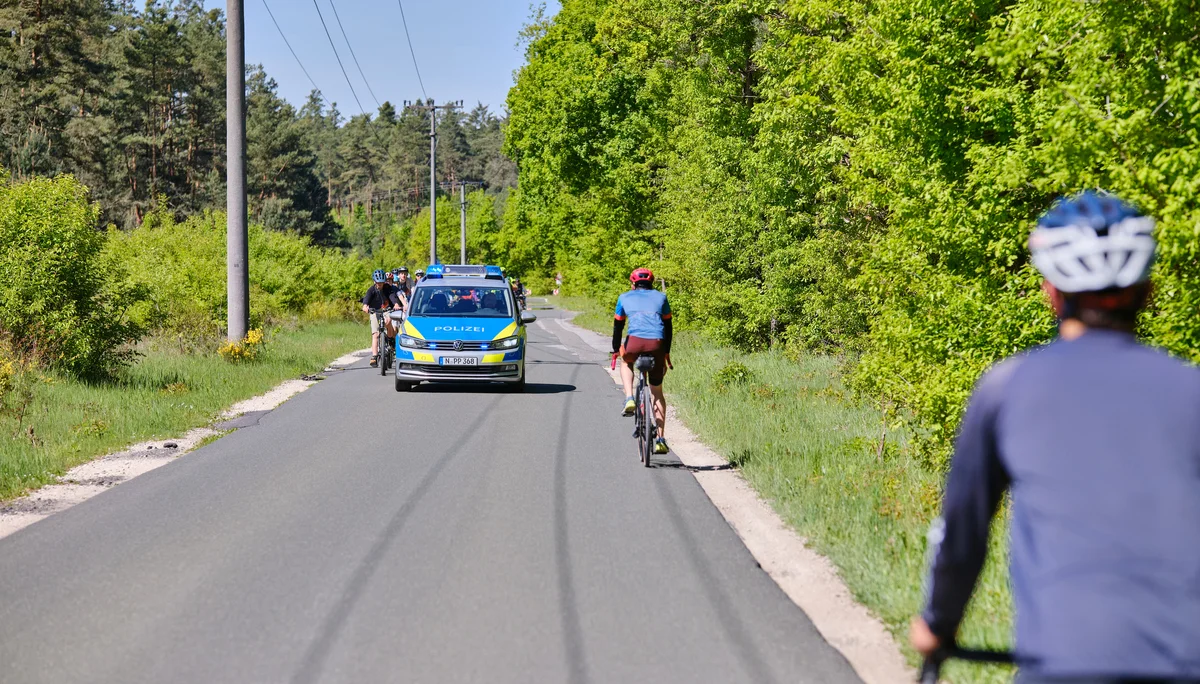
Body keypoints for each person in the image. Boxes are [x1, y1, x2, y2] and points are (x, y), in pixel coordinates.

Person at [910, 191, 1200, 683]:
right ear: (1147, 292)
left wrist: (937, 624)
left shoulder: (1007, 388)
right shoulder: (1191, 390)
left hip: (1064, 668)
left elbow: (962, 531)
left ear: (1051, 292)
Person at [612, 268, 673, 455]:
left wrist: (616, 350)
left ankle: (629, 397)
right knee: (657, 392)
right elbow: (668, 327)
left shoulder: (624, 297)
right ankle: (660, 439)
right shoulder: (661, 297)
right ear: (651, 283)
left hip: (635, 342)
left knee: (626, 361)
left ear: (633, 284)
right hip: (657, 343)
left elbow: (618, 326)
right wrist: (666, 353)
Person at [361, 269, 402, 367]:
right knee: (375, 334)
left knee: (388, 321)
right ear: (374, 281)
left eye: (381, 283)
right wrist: (365, 306)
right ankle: (374, 356)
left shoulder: (387, 288)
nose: (380, 285)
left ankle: (391, 339)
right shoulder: (371, 290)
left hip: (386, 310)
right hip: (374, 311)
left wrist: (396, 304)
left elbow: (392, 297)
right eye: (378, 283)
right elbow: (366, 300)